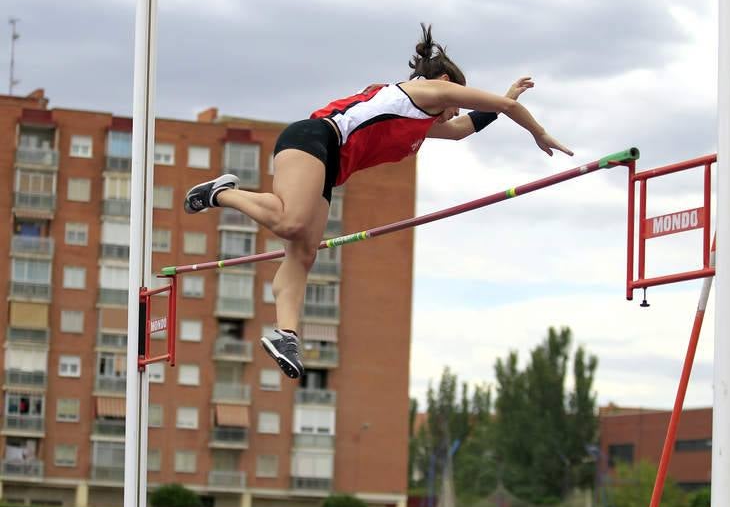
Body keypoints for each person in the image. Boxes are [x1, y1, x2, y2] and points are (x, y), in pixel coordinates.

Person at [184, 24, 573, 379]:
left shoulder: (417, 118)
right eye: (457, 101)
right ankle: (222, 192)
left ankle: (286, 334)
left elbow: (459, 131)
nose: (455, 111)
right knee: (290, 222)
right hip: (315, 138)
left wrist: (504, 102)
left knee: (303, 253)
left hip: (330, 163)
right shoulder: (428, 92)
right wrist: (536, 130)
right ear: (445, 83)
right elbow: (500, 109)